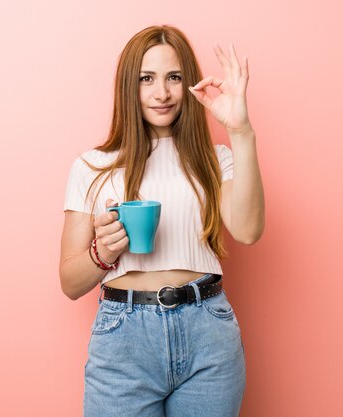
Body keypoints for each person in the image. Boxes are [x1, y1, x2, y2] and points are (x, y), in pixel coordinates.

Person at [59, 25, 264, 417]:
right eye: (146, 79)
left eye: (174, 77)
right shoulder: (93, 166)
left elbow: (249, 230)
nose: (162, 93)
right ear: (128, 86)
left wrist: (241, 131)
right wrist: (102, 253)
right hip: (123, 341)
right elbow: (69, 283)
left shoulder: (214, 160)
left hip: (208, 332)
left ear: (188, 83)